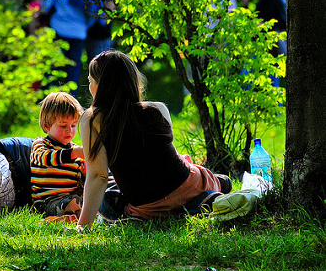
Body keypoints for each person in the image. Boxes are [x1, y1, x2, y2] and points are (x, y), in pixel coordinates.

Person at [77, 50, 232, 229]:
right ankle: (219, 184)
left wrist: (83, 225)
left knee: (110, 195)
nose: (89, 87)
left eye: (90, 81)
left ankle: (218, 184)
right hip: (188, 187)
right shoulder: (158, 109)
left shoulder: (92, 119)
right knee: (198, 174)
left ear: (101, 86)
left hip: (147, 209)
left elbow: (98, 175)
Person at [30, 92, 85, 216]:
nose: (69, 130)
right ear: (46, 126)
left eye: (73, 125)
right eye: (63, 125)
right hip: (47, 202)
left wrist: (84, 175)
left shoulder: (75, 151)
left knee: (88, 199)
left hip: (72, 197)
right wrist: (74, 153)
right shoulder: (41, 144)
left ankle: (72, 217)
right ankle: (74, 214)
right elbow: (44, 159)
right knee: (73, 203)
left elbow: (78, 183)